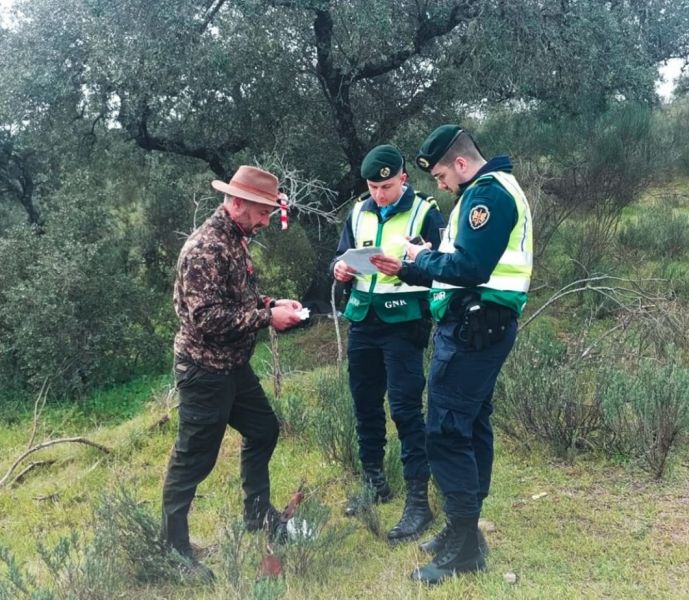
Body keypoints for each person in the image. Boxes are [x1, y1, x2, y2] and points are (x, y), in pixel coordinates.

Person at [370, 125, 533, 584]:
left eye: (441, 175)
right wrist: (418, 261)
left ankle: (464, 546)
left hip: (473, 330)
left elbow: (469, 268)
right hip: (473, 325)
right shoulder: (485, 192)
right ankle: (464, 532)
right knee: (471, 424)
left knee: (445, 432)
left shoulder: (487, 197)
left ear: (460, 164)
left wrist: (416, 264)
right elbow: (460, 262)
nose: (439, 184)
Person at [161, 166, 303, 578]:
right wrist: (265, 318)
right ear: (236, 202)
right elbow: (207, 318)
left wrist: (274, 303)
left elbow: (237, 297)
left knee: (263, 429)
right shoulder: (205, 247)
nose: (264, 221)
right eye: (260, 213)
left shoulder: (234, 238)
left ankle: (257, 514)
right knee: (193, 460)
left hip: (232, 367)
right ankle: (175, 552)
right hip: (205, 370)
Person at [331, 144, 446, 543]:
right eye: (372, 187)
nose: (379, 194)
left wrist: (408, 268)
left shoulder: (426, 213)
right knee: (365, 405)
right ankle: (374, 483)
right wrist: (340, 269)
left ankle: (418, 502)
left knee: (405, 409)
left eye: (386, 185)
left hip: (404, 321)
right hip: (363, 318)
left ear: (403, 178)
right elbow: (339, 255)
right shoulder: (358, 211)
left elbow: (444, 269)